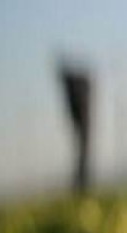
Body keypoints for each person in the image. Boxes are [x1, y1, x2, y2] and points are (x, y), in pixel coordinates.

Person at [57, 60, 93, 193]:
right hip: (82, 119)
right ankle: (81, 183)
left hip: (82, 118)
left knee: (83, 148)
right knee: (82, 147)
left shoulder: (73, 84)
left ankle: (81, 183)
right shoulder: (74, 84)